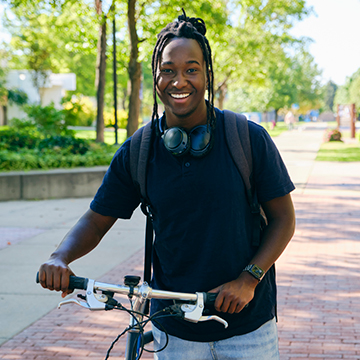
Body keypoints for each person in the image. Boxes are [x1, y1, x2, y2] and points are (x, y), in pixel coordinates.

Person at [39, 11, 296, 360]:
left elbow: (283, 219)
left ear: (207, 74)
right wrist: (60, 257)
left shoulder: (247, 138)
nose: (180, 81)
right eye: (168, 70)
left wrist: (249, 279)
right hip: (173, 332)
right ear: (156, 76)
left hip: (247, 328)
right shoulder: (140, 150)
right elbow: (97, 220)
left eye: (191, 69)